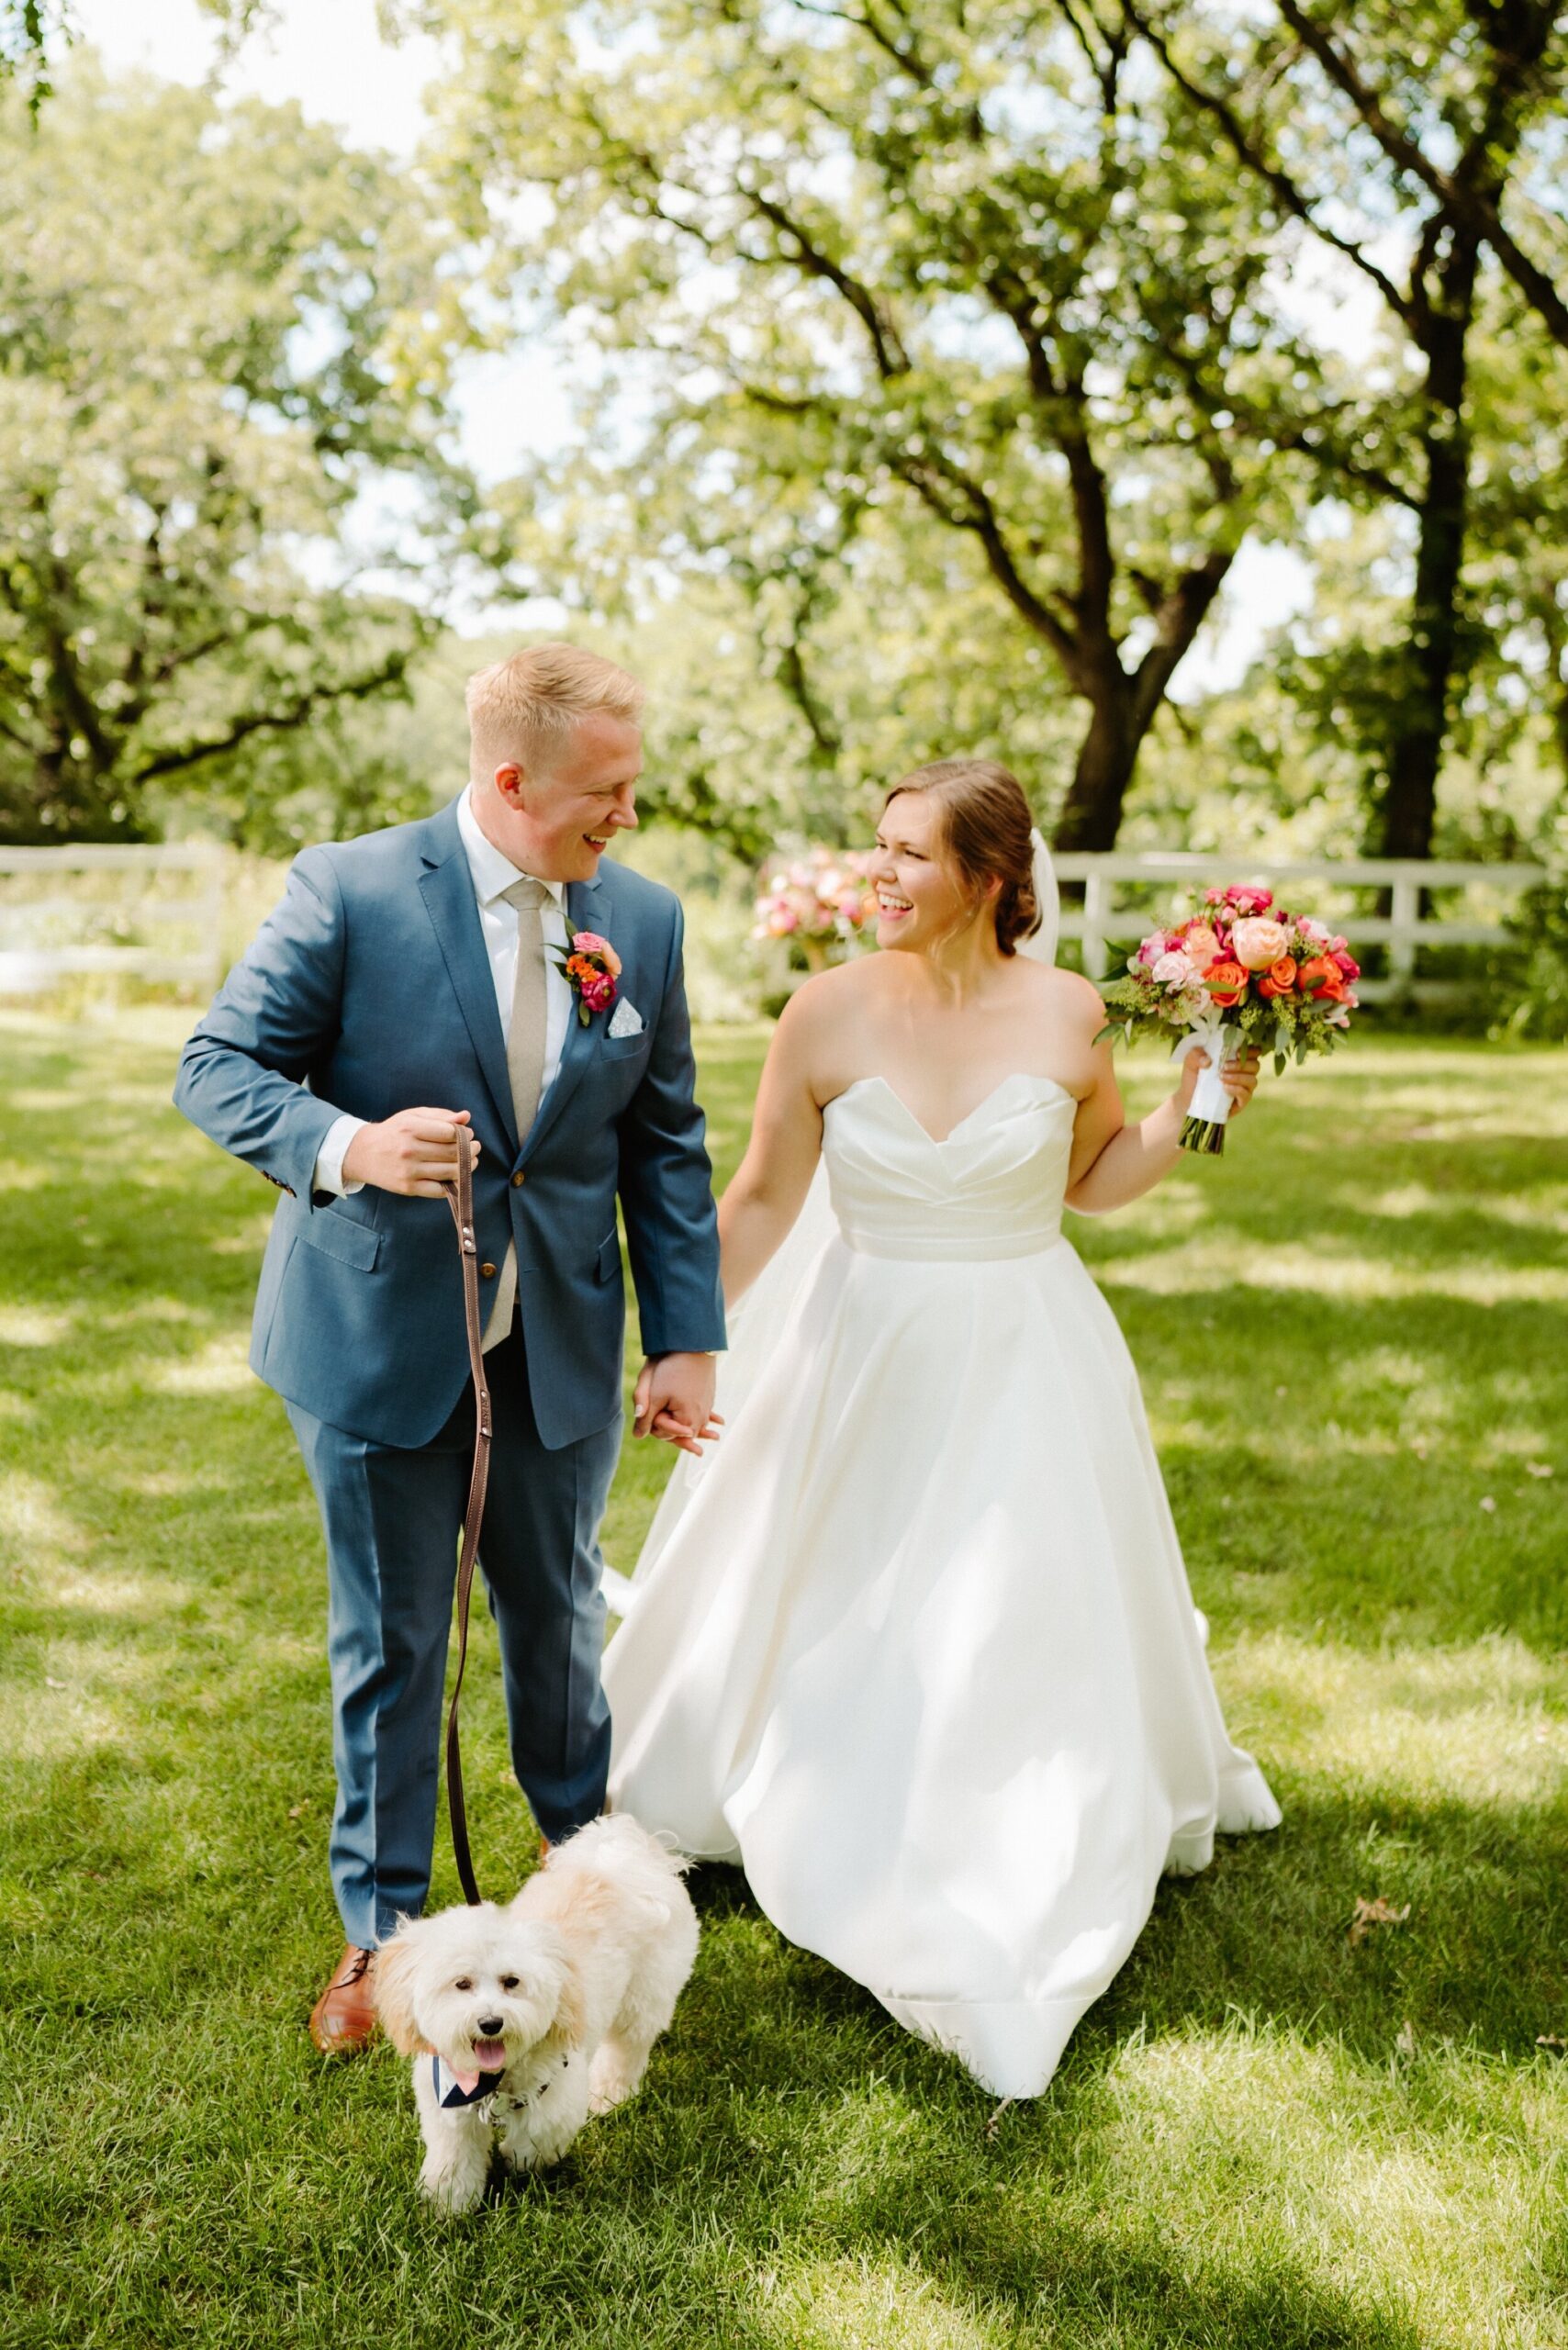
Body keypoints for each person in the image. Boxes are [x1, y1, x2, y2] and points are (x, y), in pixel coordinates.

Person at [604, 758, 1281, 2100]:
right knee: (841, 1581)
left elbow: (1094, 1183)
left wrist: (1194, 1106)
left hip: (1028, 1348)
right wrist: (682, 1339)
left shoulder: (1071, 1011)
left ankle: (1004, 1823)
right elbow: (755, 1202)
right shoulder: (826, 1011)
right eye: (878, 847)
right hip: (857, 1346)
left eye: (910, 854)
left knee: (1010, 1605)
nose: (881, 875)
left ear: (991, 879)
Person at [174, 643, 724, 2054]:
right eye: (605, 791)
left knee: (559, 1628)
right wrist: (351, 1144)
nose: (627, 815)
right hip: (376, 1339)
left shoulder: (642, 921)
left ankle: (583, 1901)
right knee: (394, 1645)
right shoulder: (350, 889)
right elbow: (218, 1066)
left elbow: (663, 1143)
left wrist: (685, 1339)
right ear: (509, 778)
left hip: (560, 1341)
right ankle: (384, 1941)